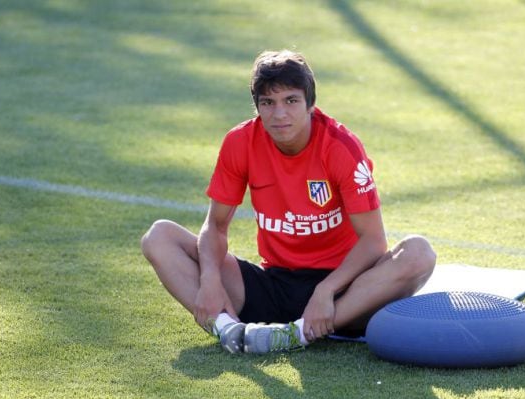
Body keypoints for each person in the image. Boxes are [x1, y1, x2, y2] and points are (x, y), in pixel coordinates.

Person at [141, 50, 436, 354]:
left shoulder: (340, 146)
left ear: (310, 103)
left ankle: (296, 336)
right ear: (257, 107)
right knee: (159, 236)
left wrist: (326, 290)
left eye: (291, 101)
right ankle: (231, 331)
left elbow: (373, 242)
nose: (279, 114)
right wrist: (210, 278)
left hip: (345, 292)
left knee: (418, 253)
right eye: (268, 103)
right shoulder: (240, 141)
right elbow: (215, 226)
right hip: (275, 285)